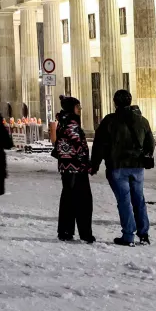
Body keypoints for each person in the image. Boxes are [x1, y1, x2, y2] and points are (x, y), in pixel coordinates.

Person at [90, 89, 155, 246]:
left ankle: (128, 236)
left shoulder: (109, 121)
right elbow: (150, 143)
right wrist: (144, 156)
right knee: (139, 200)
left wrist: (95, 164)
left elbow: (99, 145)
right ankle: (144, 234)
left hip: (117, 166)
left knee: (124, 201)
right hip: (137, 167)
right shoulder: (142, 121)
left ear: (114, 102)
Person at [54, 96, 95, 243]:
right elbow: (79, 146)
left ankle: (65, 230)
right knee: (83, 201)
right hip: (76, 168)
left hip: (65, 167)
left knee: (68, 199)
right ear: (72, 108)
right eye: (78, 107)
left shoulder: (63, 122)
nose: (80, 110)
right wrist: (87, 163)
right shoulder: (72, 124)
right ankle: (85, 233)